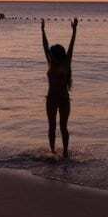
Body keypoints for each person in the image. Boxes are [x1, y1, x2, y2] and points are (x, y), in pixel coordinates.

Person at [41, 18, 77, 157]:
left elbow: (71, 46)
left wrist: (74, 31)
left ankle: (66, 152)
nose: (50, 55)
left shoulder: (66, 63)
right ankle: (52, 151)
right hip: (51, 98)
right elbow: (45, 45)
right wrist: (42, 30)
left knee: (63, 127)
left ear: (58, 54)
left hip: (63, 99)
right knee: (51, 126)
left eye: (52, 53)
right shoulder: (50, 62)